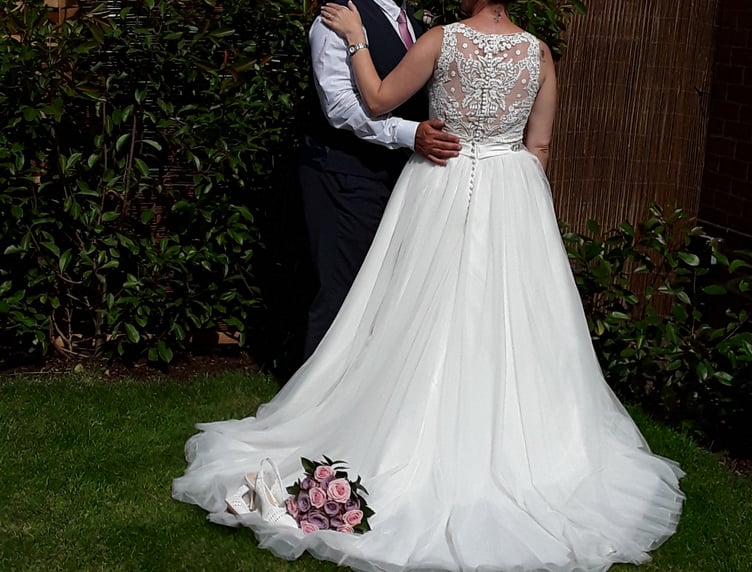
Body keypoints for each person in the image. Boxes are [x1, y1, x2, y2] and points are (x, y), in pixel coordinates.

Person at [173, 0, 685, 570]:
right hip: (512, 196)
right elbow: (539, 147)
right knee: (507, 322)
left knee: (413, 310)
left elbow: (376, 100)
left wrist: (357, 38)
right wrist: (517, 208)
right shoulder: (538, 52)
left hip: (441, 184)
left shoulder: (442, 38)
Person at [299, 0, 461, 358]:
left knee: (385, 290)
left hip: (399, 176)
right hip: (344, 172)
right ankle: (319, 387)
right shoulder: (337, 18)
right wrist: (406, 133)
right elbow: (339, 106)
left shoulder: (414, 23)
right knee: (342, 289)